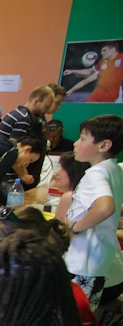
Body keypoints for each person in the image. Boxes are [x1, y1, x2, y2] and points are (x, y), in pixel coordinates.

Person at [63, 114, 123, 311]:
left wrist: (74, 227)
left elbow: (105, 207)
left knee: (71, 315)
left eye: (82, 138)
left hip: (83, 263)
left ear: (103, 145)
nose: (75, 143)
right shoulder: (113, 169)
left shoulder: (96, 173)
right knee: (83, 315)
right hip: (97, 261)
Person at [53, 151, 91, 220]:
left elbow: (57, 225)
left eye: (63, 169)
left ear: (75, 173)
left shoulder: (70, 196)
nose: (57, 172)